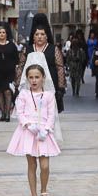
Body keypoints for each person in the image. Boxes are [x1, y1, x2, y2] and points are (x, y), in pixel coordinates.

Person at [8, 64, 60, 196]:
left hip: (44, 133)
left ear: (43, 78)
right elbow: (20, 112)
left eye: (37, 77)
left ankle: (44, 191)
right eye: (31, 77)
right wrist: (28, 125)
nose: (34, 80)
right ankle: (33, 195)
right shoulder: (24, 94)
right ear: (27, 79)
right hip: (28, 132)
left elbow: (51, 115)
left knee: (44, 165)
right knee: (32, 164)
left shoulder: (49, 95)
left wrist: (47, 129)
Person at [23, 15, 66, 144]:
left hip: (49, 87)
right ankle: (33, 136)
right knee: (33, 112)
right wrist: (18, 86)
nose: (40, 37)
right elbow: (20, 67)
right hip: (32, 87)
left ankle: (49, 138)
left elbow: (59, 68)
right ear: (33, 36)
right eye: (37, 34)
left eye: (42, 34)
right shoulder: (28, 49)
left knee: (49, 113)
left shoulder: (54, 49)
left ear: (47, 36)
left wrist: (61, 87)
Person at [0, 24, 20, 122]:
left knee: (8, 91)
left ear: (6, 34)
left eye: (3, 32)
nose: (1, 34)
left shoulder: (12, 45)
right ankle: (3, 113)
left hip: (10, 72)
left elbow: (16, 60)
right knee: (0, 92)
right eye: (0, 32)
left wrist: (17, 72)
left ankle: (8, 114)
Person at [67, 31, 87, 98]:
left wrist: (80, 62)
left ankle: (77, 91)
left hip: (78, 66)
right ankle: (73, 91)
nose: (75, 44)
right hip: (72, 66)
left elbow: (83, 58)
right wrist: (68, 65)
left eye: (76, 43)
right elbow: (67, 59)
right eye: (73, 43)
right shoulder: (69, 51)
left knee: (78, 79)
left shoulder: (81, 51)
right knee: (72, 79)